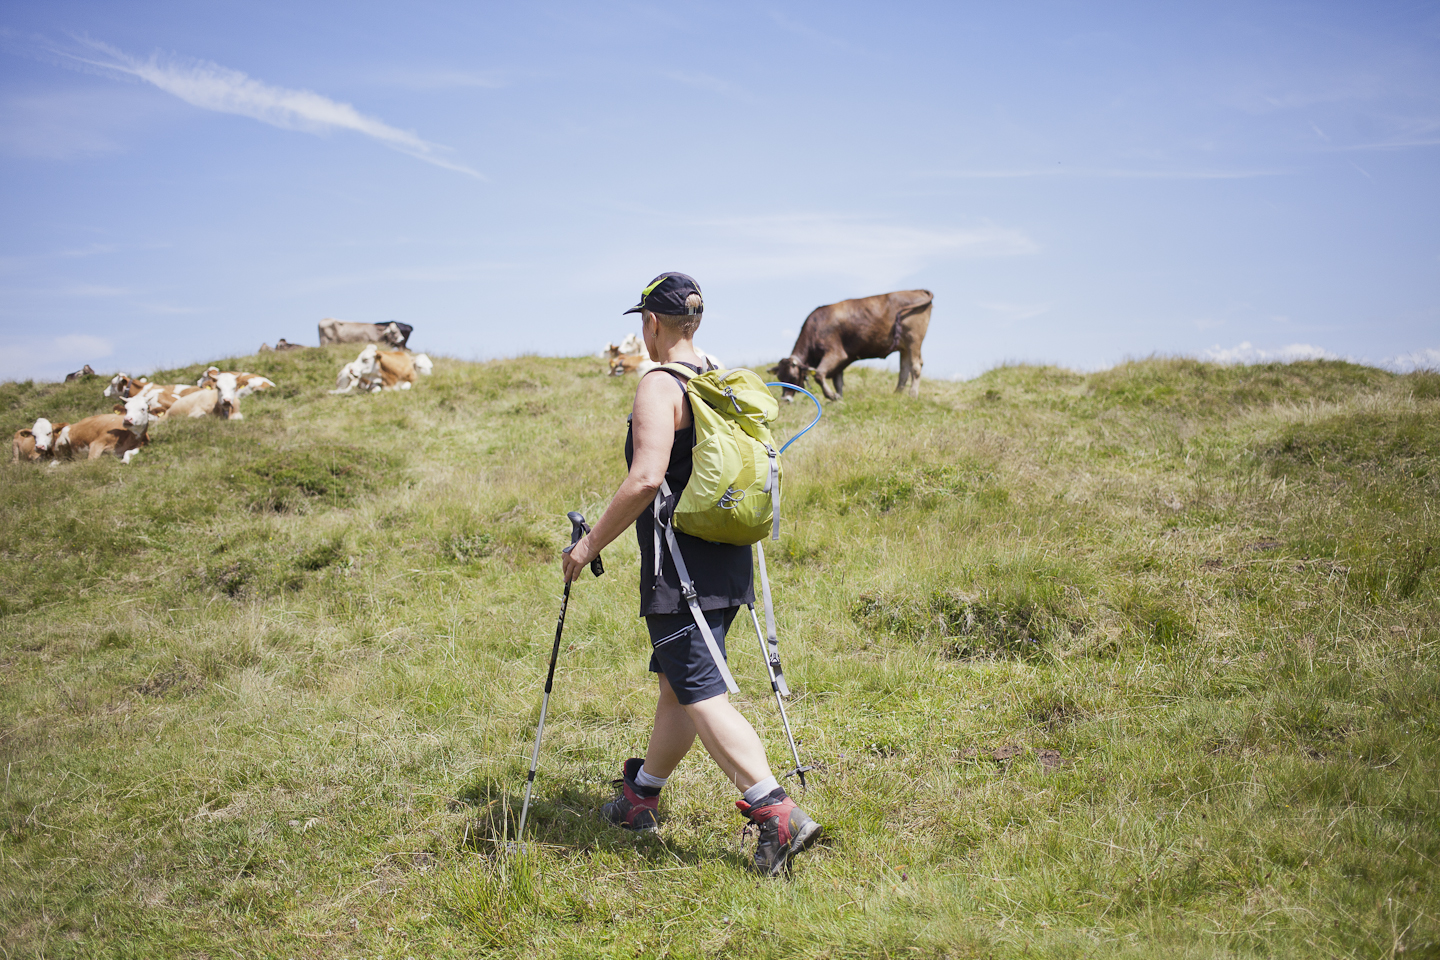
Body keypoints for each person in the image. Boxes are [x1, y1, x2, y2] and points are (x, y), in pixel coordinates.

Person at [561, 272, 822, 876]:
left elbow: (646, 478)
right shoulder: (716, 373)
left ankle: (777, 813)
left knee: (702, 694)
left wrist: (589, 545)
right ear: (695, 322)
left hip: (680, 570)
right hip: (727, 552)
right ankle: (640, 798)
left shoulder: (659, 384)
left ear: (651, 323)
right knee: (678, 685)